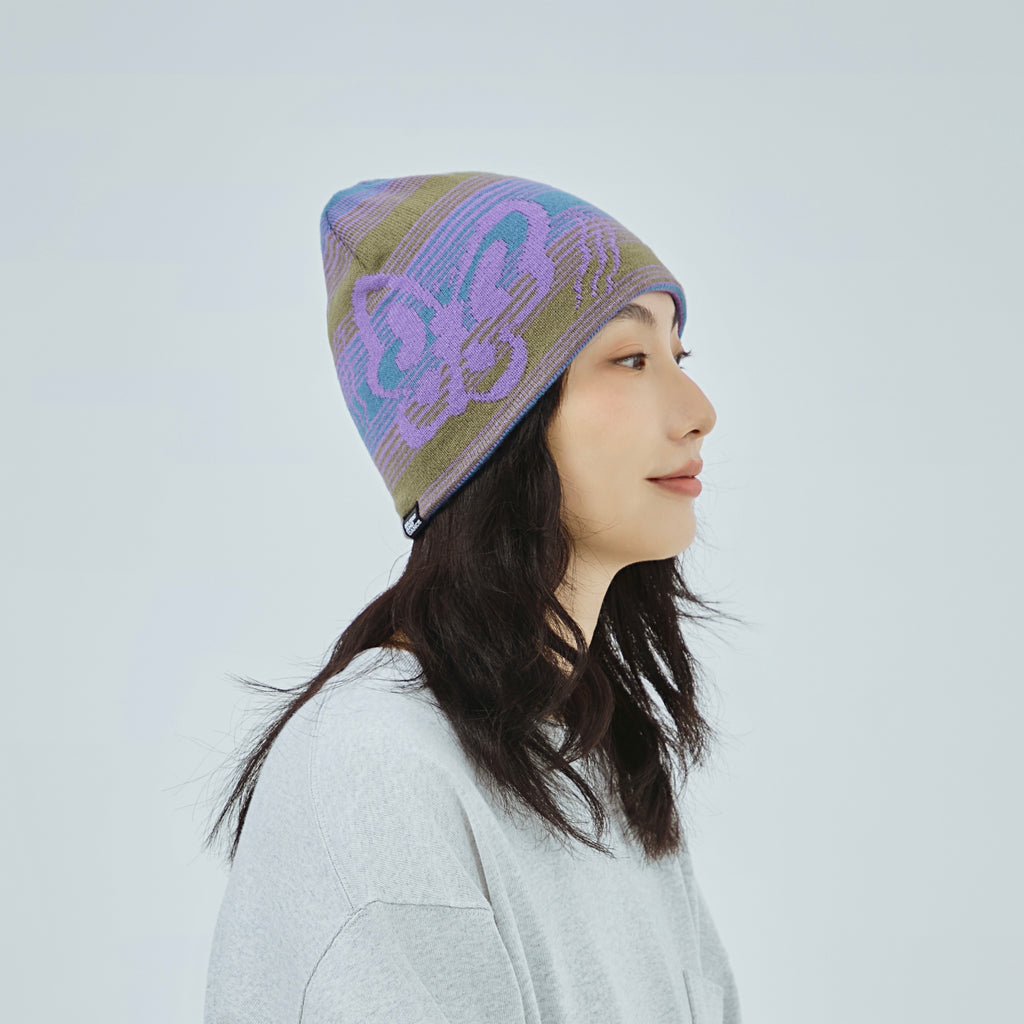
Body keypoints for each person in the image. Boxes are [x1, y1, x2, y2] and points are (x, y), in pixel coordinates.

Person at [202, 171, 743, 1023]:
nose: (698, 410)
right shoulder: (377, 765)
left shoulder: (595, 757)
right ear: (496, 426)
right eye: (630, 358)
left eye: (680, 356)